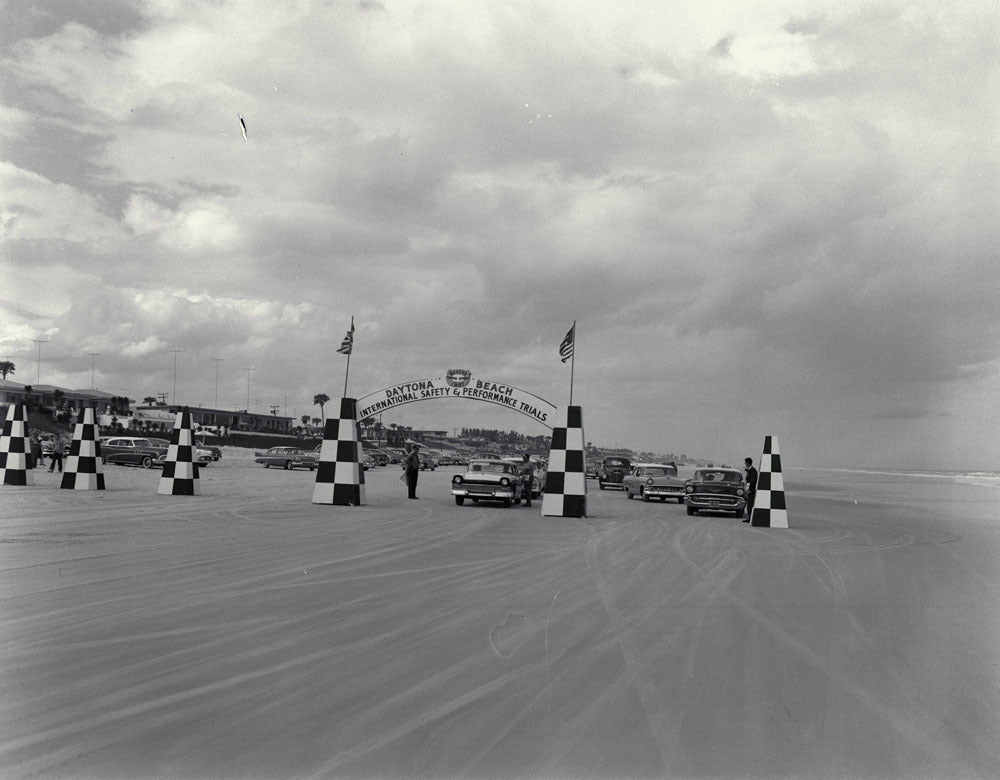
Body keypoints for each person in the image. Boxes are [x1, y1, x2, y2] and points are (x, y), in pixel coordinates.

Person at [743, 456, 757, 522]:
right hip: (748, 489)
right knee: (748, 504)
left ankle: (750, 518)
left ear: (748, 463)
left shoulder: (753, 471)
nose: (745, 464)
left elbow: (752, 481)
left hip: (751, 490)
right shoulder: (750, 470)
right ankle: (749, 517)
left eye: (745, 462)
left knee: (750, 504)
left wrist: (750, 490)